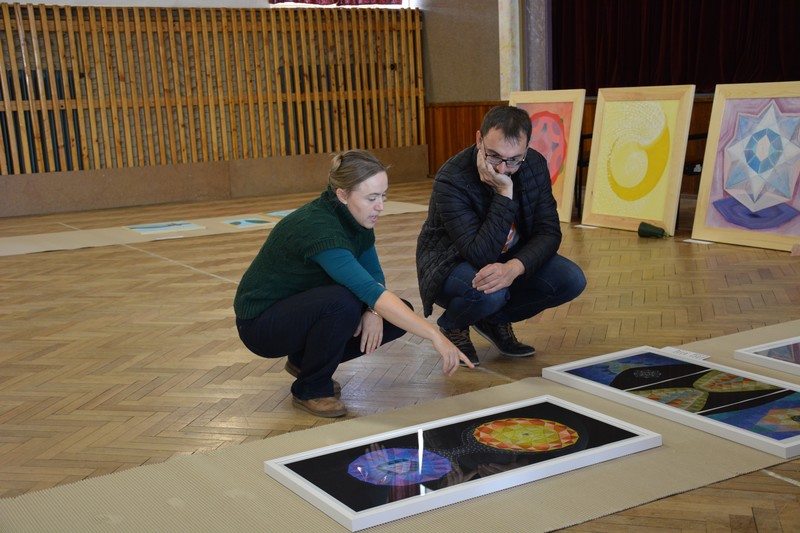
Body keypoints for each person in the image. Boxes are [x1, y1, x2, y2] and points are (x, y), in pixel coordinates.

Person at [234, 149, 473, 418]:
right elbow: (370, 290)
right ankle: (311, 389)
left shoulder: (355, 219)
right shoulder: (320, 228)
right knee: (343, 302)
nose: (380, 206)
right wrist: (435, 335)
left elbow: (374, 276)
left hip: (301, 311)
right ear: (342, 195)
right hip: (261, 325)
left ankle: (305, 363)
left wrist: (373, 312)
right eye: (371, 198)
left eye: (383, 196)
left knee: (394, 313)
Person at [416, 106, 586, 367]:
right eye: (494, 156)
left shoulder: (534, 165)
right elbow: (480, 254)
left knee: (571, 279)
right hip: (451, 262)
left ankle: (492, 320)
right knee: (491, 292)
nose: (503, 169)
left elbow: (549, 232)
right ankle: (454, 324)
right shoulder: (452, 178)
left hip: (507, 256)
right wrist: (504, 193)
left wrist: (515, 267)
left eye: (514, 159)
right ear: (479, 140)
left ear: (526, 149)